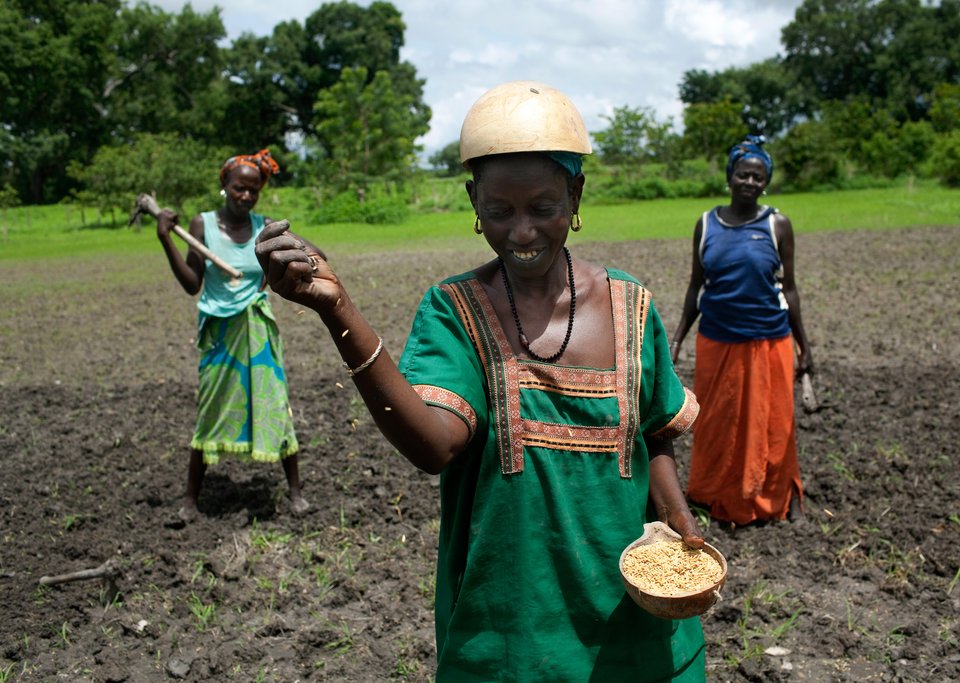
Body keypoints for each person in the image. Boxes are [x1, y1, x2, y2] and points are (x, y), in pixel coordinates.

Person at [255, 81, 708, 681]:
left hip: (636, 628)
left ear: (575, 195)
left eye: (542, 208)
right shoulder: (455, 311)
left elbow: (653, 433)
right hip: (511, 633)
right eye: (499, 211)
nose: (521, 232)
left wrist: (676, 516)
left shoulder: (631, 306)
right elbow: (435, 446)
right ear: (474, 202)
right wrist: (339, 311)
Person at [156, 149, 313, 521]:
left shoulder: (266, 226)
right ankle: (190, 501)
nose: (246, 195)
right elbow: (192, 284)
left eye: (253, 190)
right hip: (219, 334)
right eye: (239, 187)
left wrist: (280, 271)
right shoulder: (201, 226)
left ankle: (295, 493)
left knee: (274, 403)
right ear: (224, 186)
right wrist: (166, 239)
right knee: (211, 408)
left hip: (258, 330)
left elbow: (311, 252)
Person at [670, 135, 812, 526]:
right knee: (716, 422)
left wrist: (806, 349)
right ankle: (710, 496)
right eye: (743, 174)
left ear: (765, 182)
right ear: (730, 177)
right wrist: (679, 337)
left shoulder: (777, 225)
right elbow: (696, 285)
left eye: (758, 176)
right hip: (717, 339)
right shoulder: (706, 224)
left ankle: (780, 496)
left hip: (770, 340)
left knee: (775, 424)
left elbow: (791, 288)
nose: (749, 182)